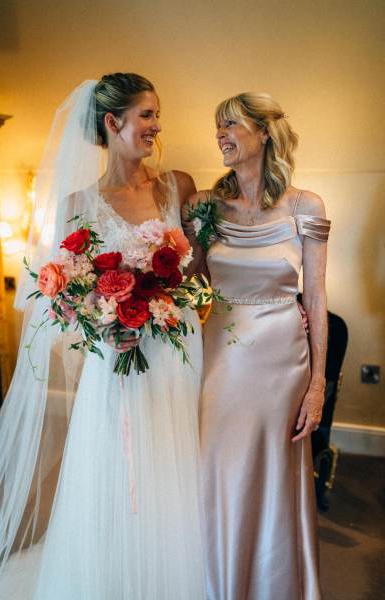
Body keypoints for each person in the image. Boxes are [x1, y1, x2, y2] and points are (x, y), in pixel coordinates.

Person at [0, 74, 206, 599]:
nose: (157, 125)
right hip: (114, 362)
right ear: (114, 122)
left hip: (172, 357)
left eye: (157, 114)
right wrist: (108, 321)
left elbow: (200, 281)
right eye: (147, 115)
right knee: (115, 468)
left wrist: (167, 309)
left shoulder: (179, 186)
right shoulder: (77, 204)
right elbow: (64, 301)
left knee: (172, 466)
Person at [188, 92, 330, 600]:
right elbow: (187, 279)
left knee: (273, 476)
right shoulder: (205, 205)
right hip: (221, 353)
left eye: (231, 125)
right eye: (217, 126)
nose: (220, 135)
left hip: (282, 359)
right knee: (216, 469)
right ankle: (215, 582)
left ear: (264, 133)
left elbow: (314, 296)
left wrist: (317, 386)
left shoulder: (304, 206)